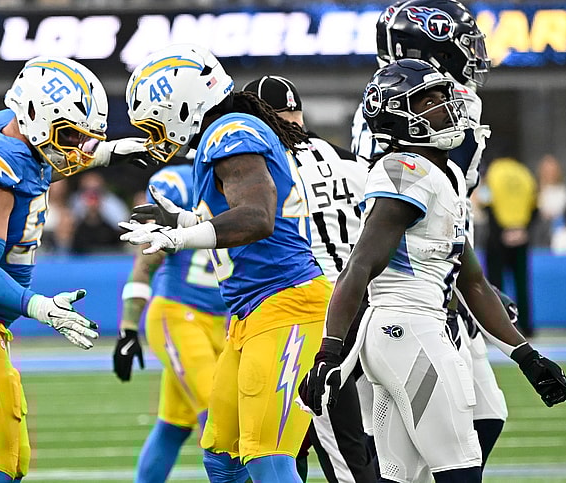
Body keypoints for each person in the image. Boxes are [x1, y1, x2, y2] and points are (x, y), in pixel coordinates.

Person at [301, 58, 566, 483]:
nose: (446, 108)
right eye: (429, 101)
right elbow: (360, 266)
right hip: (410, 330)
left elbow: (474, 282)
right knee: (459, 468)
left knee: (399, 475)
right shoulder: (403, 169)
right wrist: (329, 351)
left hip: (401, 334)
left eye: (444, 98)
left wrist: (526, 355)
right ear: (398, 115)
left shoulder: (438, 175)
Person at [0, 56, 147, 482]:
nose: (75, 146)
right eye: (70, 134)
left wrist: (107, 153)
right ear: (34, 115)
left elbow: (43, 157)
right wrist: (41, 307)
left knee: (11, 465)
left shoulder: (11, 128)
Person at [120, 44, 330, 483]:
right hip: (251, 313)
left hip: (286, 307)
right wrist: (176, 218)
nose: (157, 133)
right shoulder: (228, 133)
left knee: (267, 457)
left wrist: (179, 237)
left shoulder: (229, 129)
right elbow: (235, 210)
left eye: (157, 119)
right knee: (222, 455)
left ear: (183, 102)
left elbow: (257, 217)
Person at [352, 0, 511, 470]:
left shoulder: (440, 107)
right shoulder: (401, 122)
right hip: (403, 296)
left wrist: (470, 283)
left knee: (477, 423)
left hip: (437, 282)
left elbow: (449, 216)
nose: (474, 56)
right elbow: (394, 219)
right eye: (463, 44)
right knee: (419, 453)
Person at [243, 75, 376, 483]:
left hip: (308, 310)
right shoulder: (346, 160)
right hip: (362, 304)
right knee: (358, 436)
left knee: (323, 438)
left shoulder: (264, 167)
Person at [113, 164, 229, 483]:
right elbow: (146, 259)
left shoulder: (246, 177)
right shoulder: (177, 182)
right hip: (179, 314)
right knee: (221, 418)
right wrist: (128, 327)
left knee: (173, 427)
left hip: (223, 321)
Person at [481, 157, 537, 337]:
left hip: (498, 239)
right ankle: (527, 327)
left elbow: (487, 204)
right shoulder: (525, 174)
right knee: (522, 284)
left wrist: (502, 232)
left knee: (495, 285)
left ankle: (498, 327)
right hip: (521, 237)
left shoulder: (493, 172)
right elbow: (535, 207)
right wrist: (523, 230)